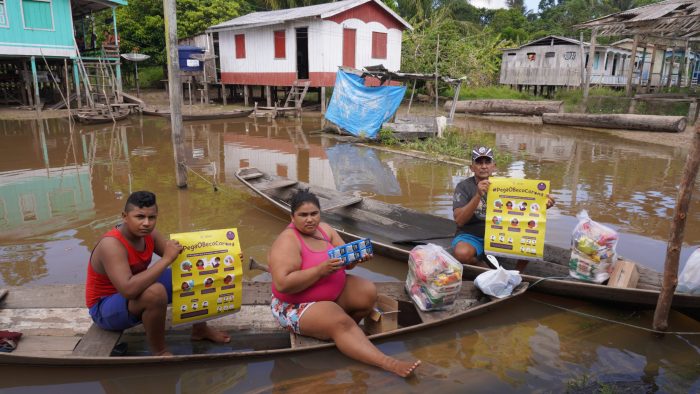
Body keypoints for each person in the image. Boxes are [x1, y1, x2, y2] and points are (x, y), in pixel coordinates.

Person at [268, 189, 421, 378]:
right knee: (340, 322)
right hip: (295, 305)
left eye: (314, 213)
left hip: (330, 295)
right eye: (303, 215)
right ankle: (388, 362)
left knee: (367, 292)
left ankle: (347, 337)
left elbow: (346, 262)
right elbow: (282, 284)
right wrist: (319, 270)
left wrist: (356, 259)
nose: (309, 219)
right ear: (292, 217)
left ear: (320, 213)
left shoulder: (325, 230)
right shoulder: (288, 241)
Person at [85, 191, 230, 356]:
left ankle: (200, 329)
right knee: (155, 293)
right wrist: (166, 259)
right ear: (125, 216)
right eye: (139, 217)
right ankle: (159, 351)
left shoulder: (149, 235)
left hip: (131, 293)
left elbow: (182, 258)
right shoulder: (111, 245)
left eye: (152, 217)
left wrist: (226, 256)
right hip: (104, 309)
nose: (146, 223)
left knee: (197, 269)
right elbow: (128, 290)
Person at [452, 146, 555, 268]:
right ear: (472, 168)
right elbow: (459, 220)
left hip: (502, 232)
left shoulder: (508, 186)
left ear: (494, 166)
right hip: (472, 234)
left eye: (487, 162)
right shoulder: (463, 186)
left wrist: (542, 206)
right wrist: (477, 195)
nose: (484, 166)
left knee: (531, 237)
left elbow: (524, 209)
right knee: (462, 254)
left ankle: (518, 273)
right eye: (479, 162)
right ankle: (484, 268)